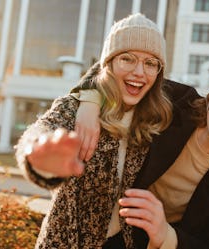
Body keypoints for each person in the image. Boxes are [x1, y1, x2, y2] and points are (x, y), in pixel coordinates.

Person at [14, 13, 190, 248]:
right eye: (127, 59)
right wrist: (38, 152)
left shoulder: (158, 118)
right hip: (65, 242)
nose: (139, 72)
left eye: (150, 63)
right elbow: (40, 130)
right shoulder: (77, 107)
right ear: (108, 63)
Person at [73, 64, 209, 249]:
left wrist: (165, 234)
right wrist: (89, 105)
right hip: (92, 219)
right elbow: (110, 69)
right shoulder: (178, 100)